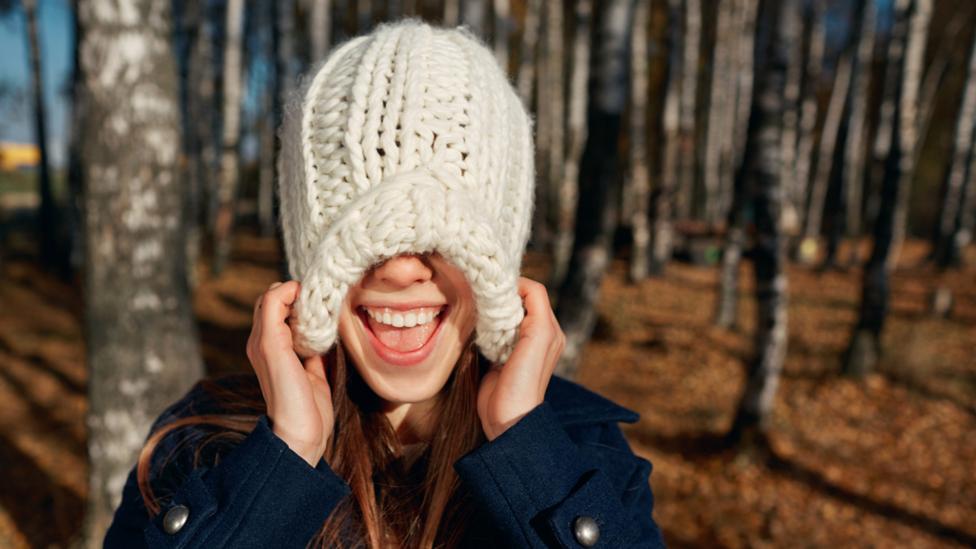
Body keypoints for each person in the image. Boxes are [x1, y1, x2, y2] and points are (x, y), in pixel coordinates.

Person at [104, 19, 665, 549]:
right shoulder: (200, 449)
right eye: (362, 232)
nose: (399, 268)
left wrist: (527, 450)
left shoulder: (584, 456)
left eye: (449, 233)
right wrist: (280, 464)